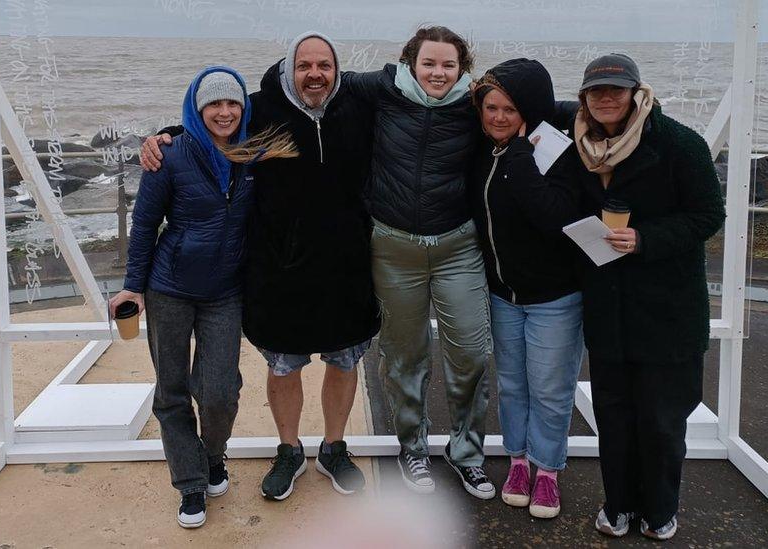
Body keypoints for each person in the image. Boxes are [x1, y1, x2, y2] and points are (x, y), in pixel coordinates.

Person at [139, 32, 380, 501]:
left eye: (324, 66)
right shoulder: (260, 112)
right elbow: (211, 129)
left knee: (344, 360)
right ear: (290, 67)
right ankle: (288, 451)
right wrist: (161, 137)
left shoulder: (358, 107)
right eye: (305, 65)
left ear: (337, 69)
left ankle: (334, 448)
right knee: (285, 365)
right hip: (279, 268)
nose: (315, 74)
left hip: (346, 263)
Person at [111, 66, 297, 528]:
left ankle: (213, 455)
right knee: (172, 391)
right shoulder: (171, 155)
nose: (224, 111)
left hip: (224, 293)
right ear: (197, 108)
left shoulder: (253, 153)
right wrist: (133, 283)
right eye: (213, 103)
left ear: (243, 107)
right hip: (169, 289)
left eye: (232, 102)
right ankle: (191, 484)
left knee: (219, 392)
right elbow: (145, 223)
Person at [560, 54, 725, 540]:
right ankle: (618, 506)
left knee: (661, 420)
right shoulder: (580, 146)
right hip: (608, 307)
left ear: (637, 92)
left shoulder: (679, 144)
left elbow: (707, 216)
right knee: (613, 416)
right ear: (584, 98)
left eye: (616, 89)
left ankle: (660, 509)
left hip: (668, 310)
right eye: (596, 91)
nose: (606, 98)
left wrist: (645, 239)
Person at [341, 26, 494, 499]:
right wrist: (175, 131)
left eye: (449, 65)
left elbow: (539, 105)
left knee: (471, 351)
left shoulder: (477, 101)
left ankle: (466, 452)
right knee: (404, 357)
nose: (438, 73)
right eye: (429, 63)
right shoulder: (384, 87)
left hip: (457, 246)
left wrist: (621, 111)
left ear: (462, 68)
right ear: (410, 62)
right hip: (393, 247)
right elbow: (312, 87)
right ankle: (414, 448)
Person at [468, 58, 585, 519]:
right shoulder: (482, 149)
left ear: (530, 111)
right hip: (502, 295)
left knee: (552, 390)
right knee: (513, 387)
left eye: (510, 109)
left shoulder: (559, 149)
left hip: (555, 298)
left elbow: (554, 218)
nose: (498, 117)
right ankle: (518, 462)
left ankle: (548, 471)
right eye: (490, 108)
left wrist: (518, 156)